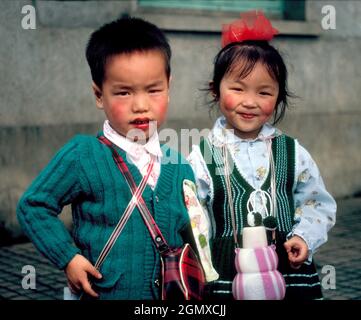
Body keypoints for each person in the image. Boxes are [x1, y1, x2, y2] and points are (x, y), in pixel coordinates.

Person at [17, 16, 196, 300]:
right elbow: (33, 206)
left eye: (153, 90)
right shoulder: (83, 155)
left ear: (169, 87)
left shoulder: (180, 164)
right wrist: (69, 258)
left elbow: (193, 233)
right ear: (99, 95)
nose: (140, 105)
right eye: (123, 92)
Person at [187, 11, 337, 300]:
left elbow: (316, 202)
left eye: (264, 92)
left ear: (279, 97)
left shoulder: (293, 152)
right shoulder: (202, 157)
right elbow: (194, 215)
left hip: (287, 271)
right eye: (237, 88)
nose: (250, 102)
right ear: (216, 91)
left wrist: (303, 236)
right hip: (227, 277)